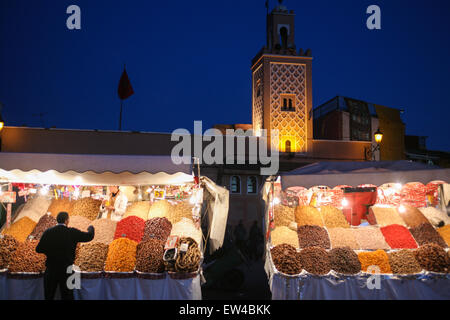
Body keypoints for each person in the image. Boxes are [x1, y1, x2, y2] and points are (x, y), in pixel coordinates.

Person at [36, 211, 95, 300]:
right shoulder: (72, 232)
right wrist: (91, 228)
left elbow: (39, 249)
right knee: (67, 296)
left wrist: (50, 251)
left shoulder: (48, 232)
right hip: (67, 269)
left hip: (51, 269)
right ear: (66, 220)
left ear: (57, 220)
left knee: (49, 295)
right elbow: (89, 237)